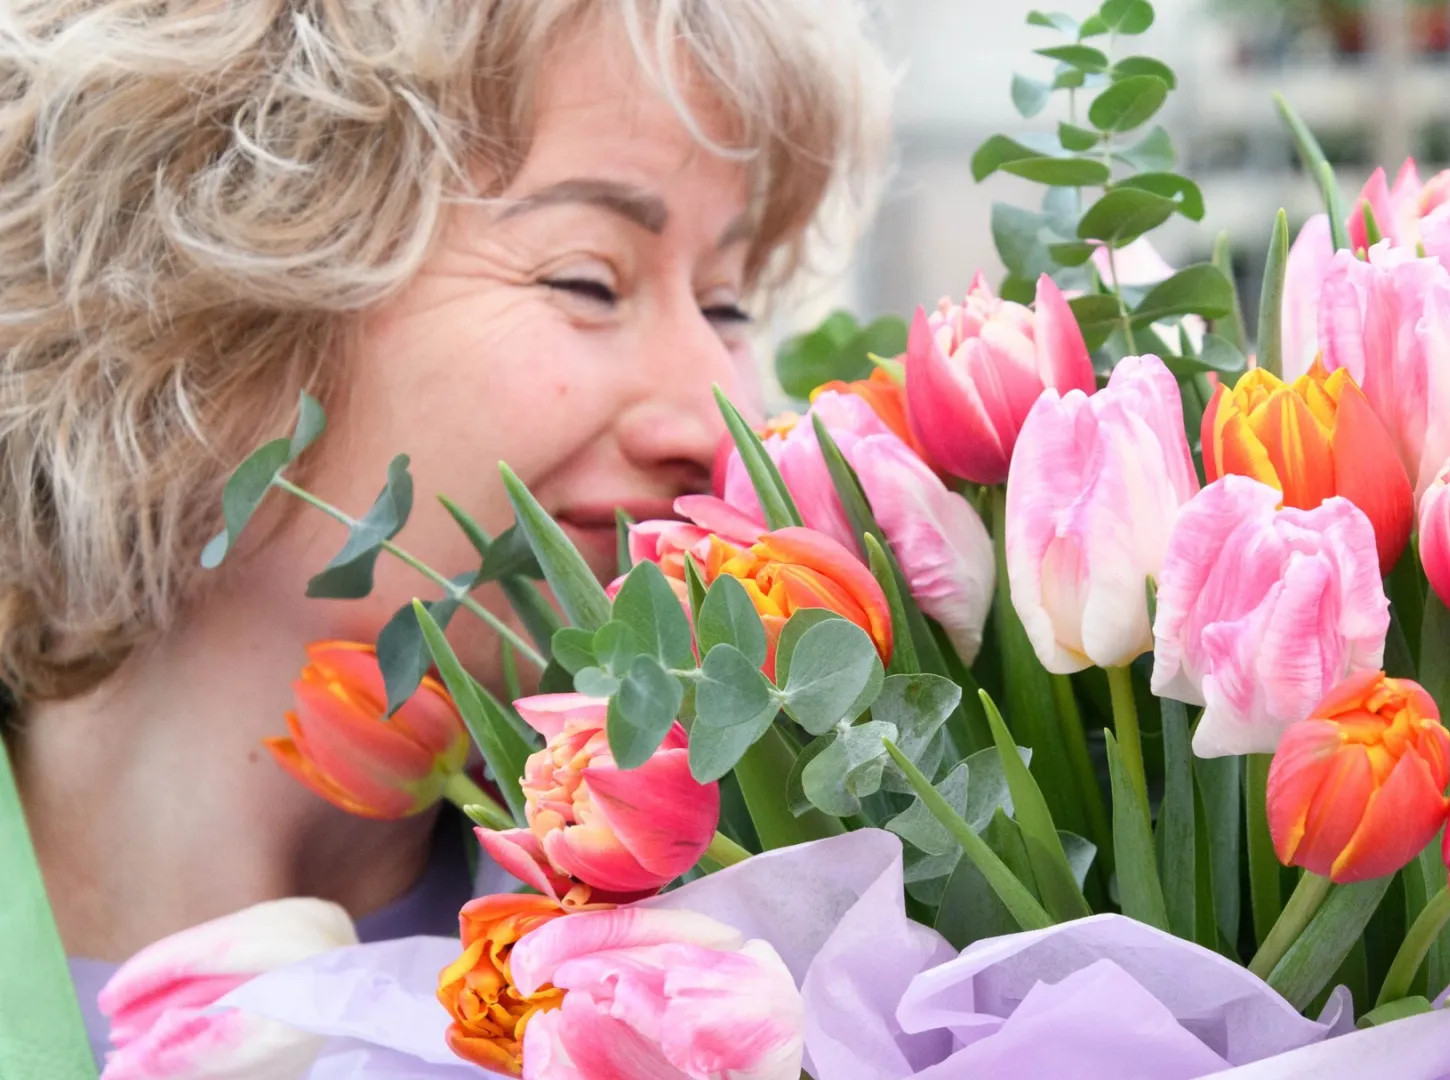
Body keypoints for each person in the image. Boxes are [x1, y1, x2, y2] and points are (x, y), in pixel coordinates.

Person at [0, 0, 885, 1060]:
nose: (715, 418)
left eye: (729, 306)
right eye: (588, 280)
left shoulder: (802, 934)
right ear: (203, 307)